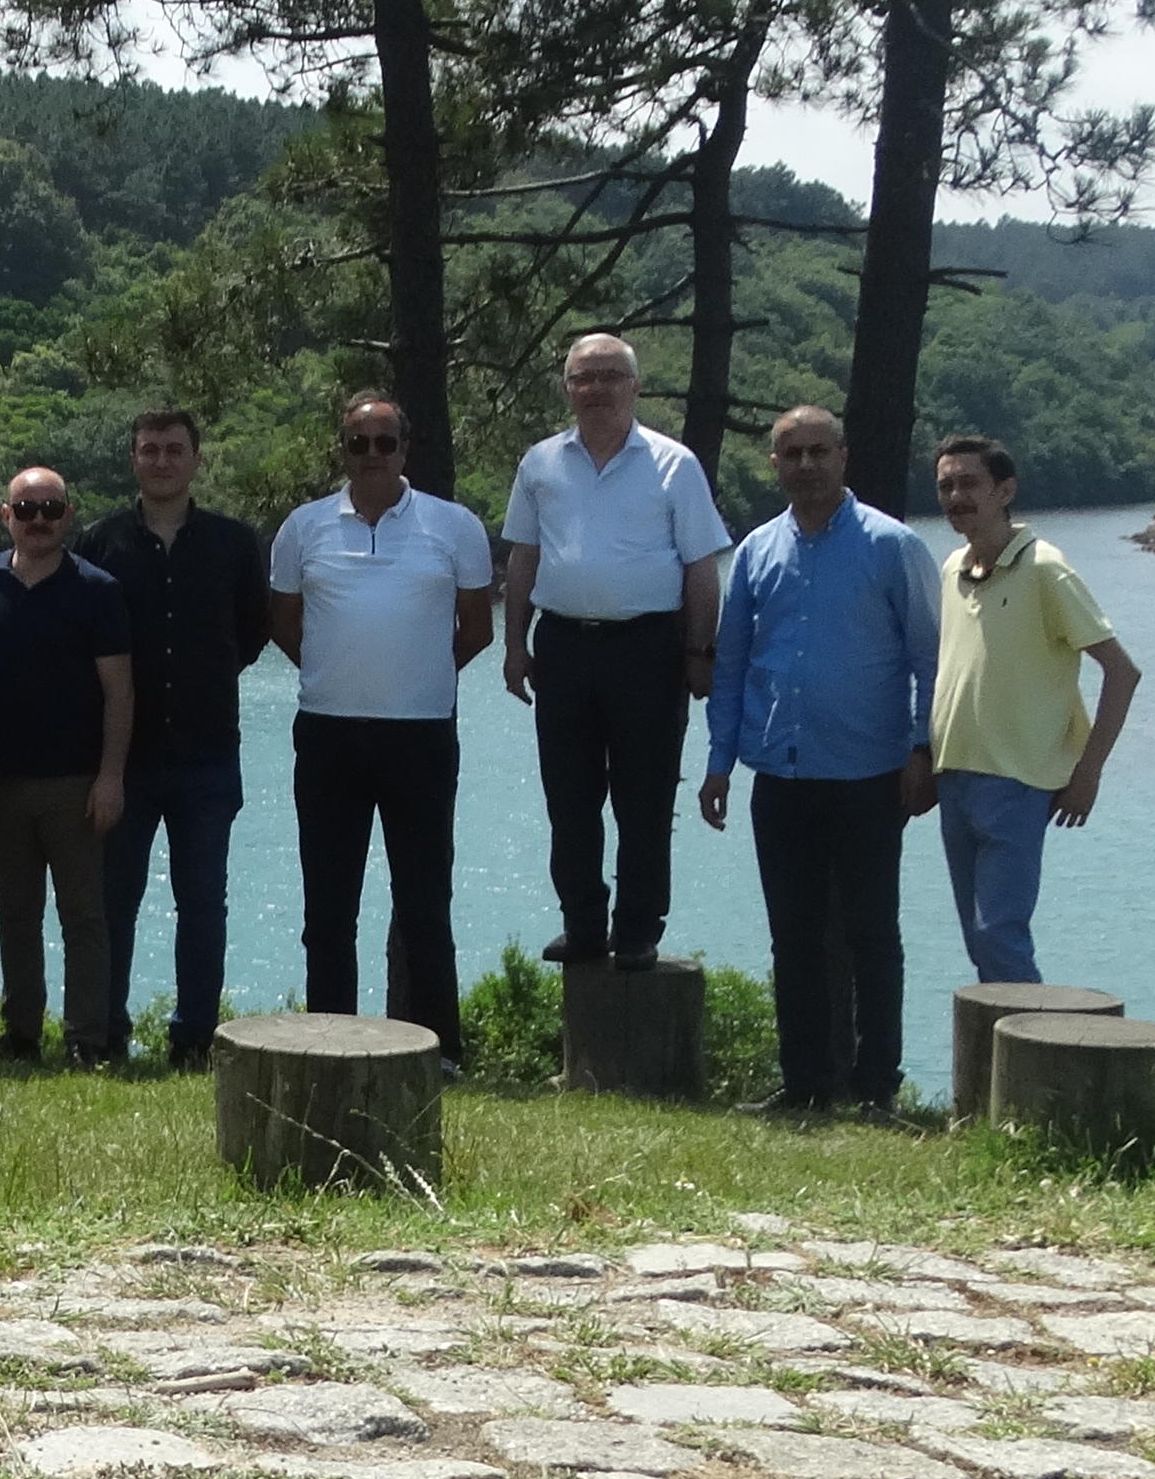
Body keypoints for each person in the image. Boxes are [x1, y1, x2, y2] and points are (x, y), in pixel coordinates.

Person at [699, 408, 941, 1115]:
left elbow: (931, 656)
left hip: (870, 773)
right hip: (781, 773)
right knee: (793, 936)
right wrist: (720, 760)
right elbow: (733, 660)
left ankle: (876, 1088)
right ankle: (804, 1084)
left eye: (818, 451)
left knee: (873, 935)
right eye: (791, 454)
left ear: (843, 456)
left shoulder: (892, 546)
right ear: (773, 463)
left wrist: (923, 749)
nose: (806, 465)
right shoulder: (755, 551)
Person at [498, 333, 734, 968]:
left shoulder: (673, 464)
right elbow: (523, 556)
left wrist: (698, 652)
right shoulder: (541, 463)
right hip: (565, 647)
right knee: (568, 797)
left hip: (648, 649)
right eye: (583, 378)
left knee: (645, 796)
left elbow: (701, 568)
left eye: (609, 376)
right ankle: (581, 924)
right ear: (568, 389)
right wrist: (514, 644)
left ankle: (637, 929)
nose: (595, 389)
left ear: (635, 387)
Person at [272, 391, 497, 1056]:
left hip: (421, 736)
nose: (372, 455)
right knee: (328, 910)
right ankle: (329, 1045)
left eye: (385, 442)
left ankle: (439, 1051)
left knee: (426, 905)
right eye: (358, 443)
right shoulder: (302, 528)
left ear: (406, 447)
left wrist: (418, 674)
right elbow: (286, 626)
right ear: (341, 450)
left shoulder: (456, 526)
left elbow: (478, 630)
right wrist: (339, 671)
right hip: (328, 734)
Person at [87, 407, 270, 1063]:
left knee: (203, 907)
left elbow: (251, 633)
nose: (160, 461)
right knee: (113, 905)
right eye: (148, 450)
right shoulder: (100, 541)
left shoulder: (234, 543)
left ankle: (195, 1038)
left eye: (173, 450)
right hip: (125, 761)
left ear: (196, 459)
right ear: (133, 460)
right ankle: (107, 1032)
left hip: (208, 753)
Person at [928, 433, 1142, 986]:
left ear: (1006, 491)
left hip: (1017, 781)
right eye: (946, 486)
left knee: (1000, 938)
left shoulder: (1046, 569)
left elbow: (1121, 671)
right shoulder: (953, 567)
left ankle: (1032, 1062)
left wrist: (1087, 773)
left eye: (969, 483)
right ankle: (991, 1068)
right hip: (955, 779)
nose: (956, 497)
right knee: (980, 942)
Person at [0, 466, 135, 1064]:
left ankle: (86, 1039)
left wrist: (111, 777)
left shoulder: (98, 590)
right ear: (6, 514)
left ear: (69, 515)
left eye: (50, 507)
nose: (38, 519)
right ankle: (20, 1033)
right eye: (26, 507)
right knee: (15, 914)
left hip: (75, 782)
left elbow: (120, 692)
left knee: (83, 917)